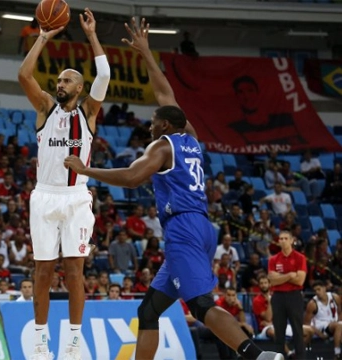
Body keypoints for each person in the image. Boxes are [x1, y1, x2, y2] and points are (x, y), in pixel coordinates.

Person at [64, 18, 282, 360]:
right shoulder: (190, 137)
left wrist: (86, 170)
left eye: (153, 121)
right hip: (200, 226)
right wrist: (147, 53)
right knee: (148, 311)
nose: (149, 125)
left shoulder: (162, 146)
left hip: (182, 228)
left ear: (165, 126)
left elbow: (133, 177)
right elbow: (167, 94)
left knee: (200, 304)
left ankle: (258, 356)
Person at [18, 8, 110, 360]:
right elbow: (24, 74)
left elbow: (105, 73)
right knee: (42, 270)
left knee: (74, 270)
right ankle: (40, 339)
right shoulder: (44, 107)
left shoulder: (88, 113)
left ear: (80, 87)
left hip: (75, 199)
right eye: (57, 80)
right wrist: (43, 35)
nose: (60, 85)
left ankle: (73, 339)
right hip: (44, 197)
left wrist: (91, 36)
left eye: (67, 81)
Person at [267, 230, 307, 359]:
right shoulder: (273, 259)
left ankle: (301, 358)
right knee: (279, 331)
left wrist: (280, 277)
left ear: (291, 240)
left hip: (294, 296)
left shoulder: (300, 257)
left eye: (285, 238)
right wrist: (290, 275)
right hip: (277, 296)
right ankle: (279, 357)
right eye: (281, 239)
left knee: (297, 330)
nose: (283, 241)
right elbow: (272, 280)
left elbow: (300, 280)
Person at [304, 280, 342, 359]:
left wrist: (339, 321)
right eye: (315, 291)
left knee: (339, 326)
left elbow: (340, 312)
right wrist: (320, 334)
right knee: (338, 326)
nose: (317, 292)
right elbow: (306, 324)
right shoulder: (312, 304)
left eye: (319, 289)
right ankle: (337, 353)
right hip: (321, 327)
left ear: (324, 288)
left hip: (334, 324)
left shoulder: (335, 297)